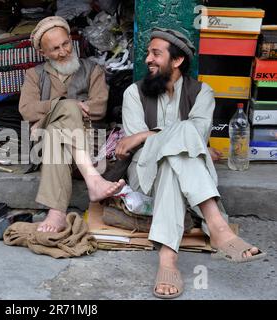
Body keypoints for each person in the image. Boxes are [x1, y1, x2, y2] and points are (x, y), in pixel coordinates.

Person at [116, 27, 266, 299]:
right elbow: (143, 147)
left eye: (155, 54)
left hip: (181, 172)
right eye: (149, 53)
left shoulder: (202, 92)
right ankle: (218, 227)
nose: (147, 59)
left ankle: (167, 259)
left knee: (175, 157)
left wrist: (144, 134)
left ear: (177, 61)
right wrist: (150, 136)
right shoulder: (133, 93)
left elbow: (191, 137)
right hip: (145, 171)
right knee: (182, 136)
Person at [19, 16, 125, 233]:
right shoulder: (34, 75)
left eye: (66, 44)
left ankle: (56, 213)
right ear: (43, 53)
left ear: (71, 40)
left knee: (56, 130)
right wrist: (66, 106)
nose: (64, 51)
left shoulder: (92, 69)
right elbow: (26, 109)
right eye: (55, 49)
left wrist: (51, 115)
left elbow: (99, 108)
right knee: (67, 108)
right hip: (44, 148)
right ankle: (93, 180)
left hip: (89, 142)